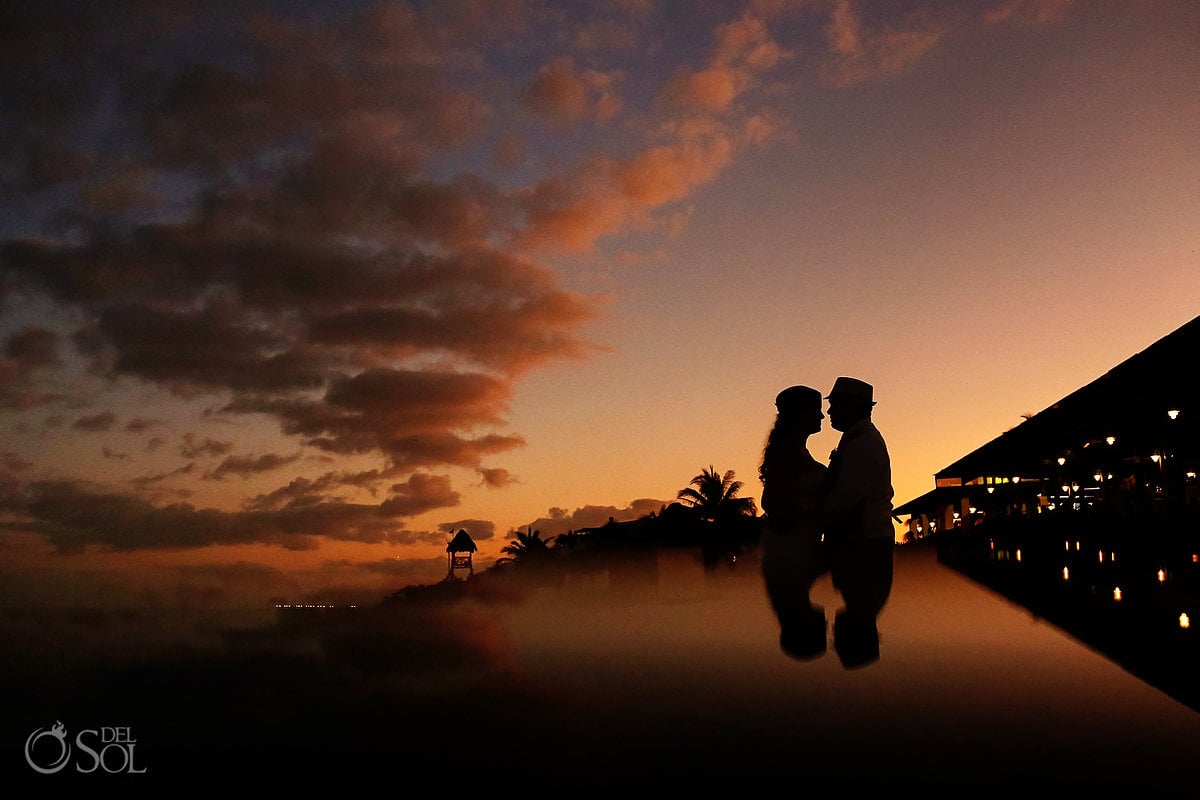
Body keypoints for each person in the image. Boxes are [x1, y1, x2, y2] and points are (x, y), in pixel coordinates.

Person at [822, 376, 895, 668]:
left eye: (835, 405)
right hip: (865, 542)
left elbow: (844, 501)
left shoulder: (861, 445)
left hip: (863, 544)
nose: (829, 413)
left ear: (852, 408)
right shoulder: (858, 440)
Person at [758, 385, 830, 659]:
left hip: (796, 547)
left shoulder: (794, 450)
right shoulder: (788, 452)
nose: (822, 417)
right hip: (789, 549)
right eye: (816, 411)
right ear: (801, 415)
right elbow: (773, 503)